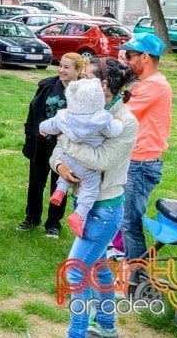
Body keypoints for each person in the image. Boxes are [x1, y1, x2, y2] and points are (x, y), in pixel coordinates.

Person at [52, 56, 138, 338]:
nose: (81, 81)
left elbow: (101, 159)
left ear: (103, 84)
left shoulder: (125, 121)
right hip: (85, 204)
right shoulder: (83, 105)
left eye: (87, 76)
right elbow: (58, 150)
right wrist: (60, 165)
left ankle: (76, 334)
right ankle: (106, 326)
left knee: (75, 272)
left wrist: (65, 141)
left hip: (104, 209)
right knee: (100, 269)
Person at [39, 78, 123, 238]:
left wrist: (43, 129)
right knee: (91, 188)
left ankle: (60, 191)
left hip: (70, 159)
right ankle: (79, 215)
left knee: (66, 173)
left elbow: (49, 125)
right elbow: (114, 131)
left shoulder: (64, 116)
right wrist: (118, 122)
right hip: (88, 165)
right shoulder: (102, 119)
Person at [117, 33, 172, 263]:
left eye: (130, 56)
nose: (127, 61)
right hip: (136, 161)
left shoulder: (153, 86)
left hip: (141, 164)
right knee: (127, 220)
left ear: (146, 57)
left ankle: (138, 277)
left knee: (130, 223)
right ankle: (133, 268)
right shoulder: (146, 84)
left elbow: (120, 114)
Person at [18, 52, 86, 238]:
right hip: (40, 144)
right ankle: (31, 218)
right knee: (35, 183)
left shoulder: (83, 92)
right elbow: (33, 111)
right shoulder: (47, 85)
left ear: (78, 70)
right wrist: (30, 133)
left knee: (59, 185)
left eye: (66, 67)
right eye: (61, 65)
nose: (61, 70)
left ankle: (53, 224)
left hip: (65, 149)